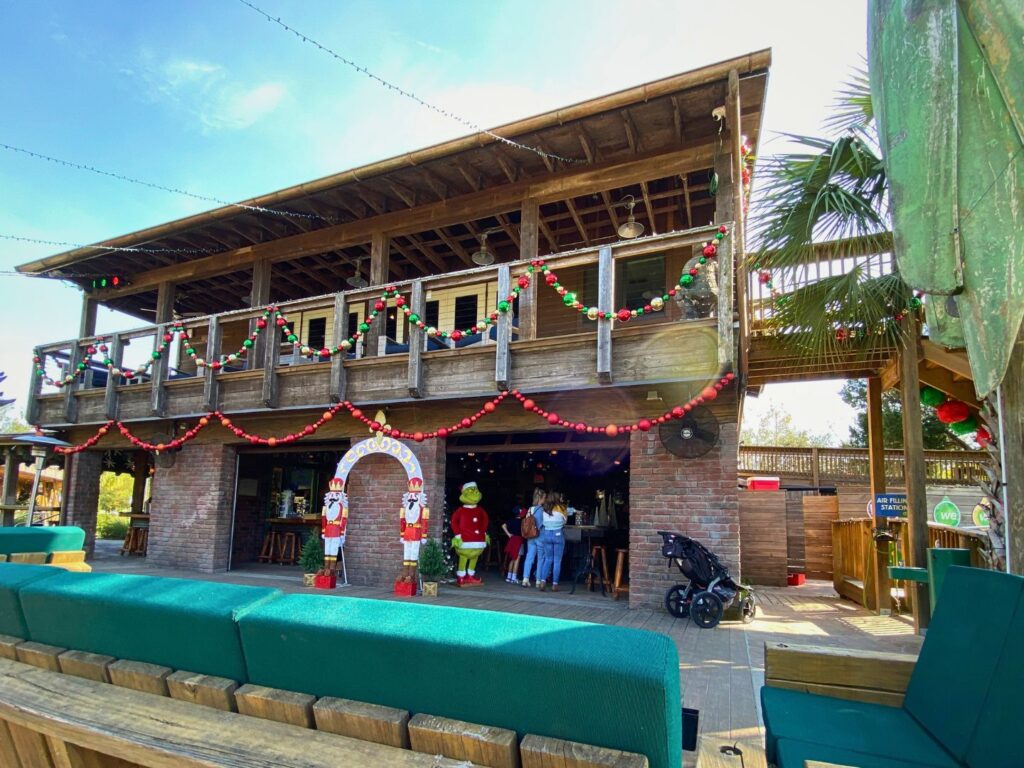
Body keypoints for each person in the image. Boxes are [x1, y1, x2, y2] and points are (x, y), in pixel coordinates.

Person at [536, 491, 569, 592]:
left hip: (546, 534)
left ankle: (542, 582)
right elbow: (565, 521)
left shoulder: (544, 509)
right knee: (557, 560)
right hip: (558, 534)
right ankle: (554, 585)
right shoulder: (562, 508)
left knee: (548, 559)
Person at [520, 488, 546, 588]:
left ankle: (525, 579)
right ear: (540, 498)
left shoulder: (530, 509)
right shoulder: (542, 510)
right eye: (544, 497)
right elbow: (540, 525)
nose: (545, 499)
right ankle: (538, 581)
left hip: (530, 536)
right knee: (541, 558)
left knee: (529, 557)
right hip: (540, 536)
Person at [501, 506, 527, 583]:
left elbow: (503, 525)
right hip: (519, 541)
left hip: (512, 540)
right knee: (517, 560)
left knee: (512, 559)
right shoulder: (523, 522)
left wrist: (508, 534)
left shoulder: (511, 520)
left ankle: (509, 577)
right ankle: (514, 578)